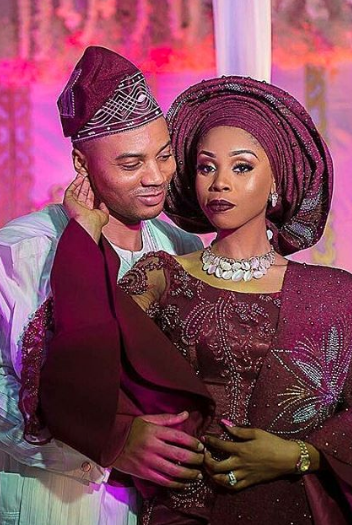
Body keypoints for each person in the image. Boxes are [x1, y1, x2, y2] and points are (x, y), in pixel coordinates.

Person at [0, 46, 204, 525]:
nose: (155, 177)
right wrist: (107, 444)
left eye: (164, 156)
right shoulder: (21, 254)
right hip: (59, 499)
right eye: (130, 164)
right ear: (82, 162)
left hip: (167, 502)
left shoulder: (182, 247)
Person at [39, 76, 352, 525]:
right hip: (182, 510)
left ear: (277, 180)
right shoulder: (162, 276)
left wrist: (301, 455)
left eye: (241, 167)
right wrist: (86, 234)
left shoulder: (334, 293)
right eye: (207, 167)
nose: (220, 183)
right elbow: (79, 355)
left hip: (294, 508)